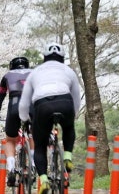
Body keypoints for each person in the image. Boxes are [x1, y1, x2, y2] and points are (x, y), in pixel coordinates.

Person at [18, 43, 81, 194]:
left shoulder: (35, 72)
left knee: (40, 145)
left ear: (44, 57)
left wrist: (25, 118)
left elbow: (24, 101)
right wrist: (74, 115)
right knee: (68, 127)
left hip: (43, 105)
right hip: (65, 101)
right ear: (63, 57)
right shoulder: (69, 71)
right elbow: (76, 97)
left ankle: (44, 180)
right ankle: (67, 156)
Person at [0, 56, 33, 187]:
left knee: (11, 140)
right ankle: (33, 164)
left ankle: (11, 168)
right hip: (31, 106)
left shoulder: (7, 76)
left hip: (14, 106)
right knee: (33, 134)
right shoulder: (34, 73)